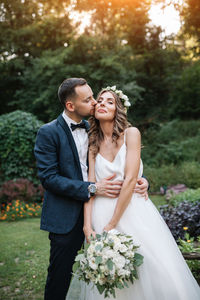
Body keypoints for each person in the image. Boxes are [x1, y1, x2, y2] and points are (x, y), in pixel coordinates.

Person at [81, 86, 200, 300]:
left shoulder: (131, 134)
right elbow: (89, 186)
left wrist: (112, 224)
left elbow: (129, 180)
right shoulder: (92, 143)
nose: (102, 103)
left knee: (153, 266)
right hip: (100, 212)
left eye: (110, 101)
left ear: (118, 110)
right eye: (100, 100)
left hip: (132, 210)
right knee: (110, 274)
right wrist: (87, 225)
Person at [34, 78, 149, 300]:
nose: (95, 102)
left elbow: (119, 163)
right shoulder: (48, 132)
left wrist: (143, 180)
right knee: (59, 276)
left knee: (111, 272)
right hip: (65, 216)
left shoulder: (93, 129)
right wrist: (92, 188)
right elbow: (49, 179)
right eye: (88, 100)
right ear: (71, 105)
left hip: (99, 214)